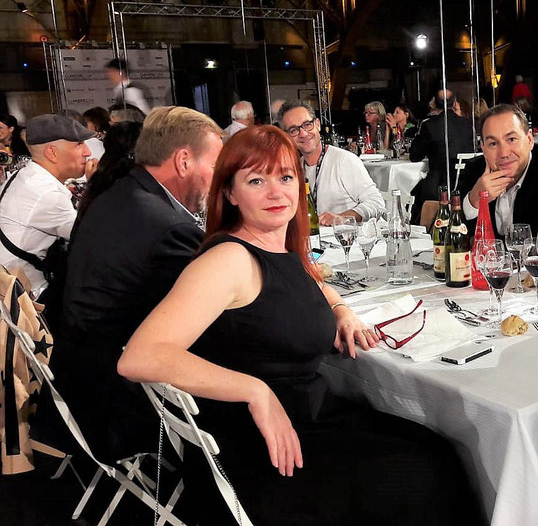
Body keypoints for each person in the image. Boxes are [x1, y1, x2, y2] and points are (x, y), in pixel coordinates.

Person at [117, 125, 482, 526]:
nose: (277, 193)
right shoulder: (228, 261)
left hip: (309, 413)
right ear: (229, 193)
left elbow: (308, 282)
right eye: (257, 180)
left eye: (286, 177)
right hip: (263, 447)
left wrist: (341, 309)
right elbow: (140, 357)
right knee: (427, 473)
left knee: (440, 448)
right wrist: (256, 392)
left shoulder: (276, 243)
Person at [48, 106, 224, 462]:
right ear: (184, 161)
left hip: (78, 378)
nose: (220, 176)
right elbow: (218, 319)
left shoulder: (120, 194)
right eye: (216, 165)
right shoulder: (168, 226)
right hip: (119, 403)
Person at [0, 114, 94, 306]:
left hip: (12, 288)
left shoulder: (24, 175)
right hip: (28, 300)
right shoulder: (46, 193)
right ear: (52, 153)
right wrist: (97, 185)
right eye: (79, 144)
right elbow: (95, 235)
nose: (87, 151)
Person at [457, 104, 538, 238]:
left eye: (511, 139)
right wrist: (474, 200)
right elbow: (457, 233)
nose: (503, 153)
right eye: (493, 143)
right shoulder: (475, 170)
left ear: (530, 140)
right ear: (483, 148)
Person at [278, 100, 383, 226]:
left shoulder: (344, 160)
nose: (303, 133)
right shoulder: (295, 169)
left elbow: (377, 203)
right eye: (294, 130)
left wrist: (342, 218)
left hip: (352, 241)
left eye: (307, 125)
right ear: (286, 136)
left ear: (317, 124)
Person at [409, 89, 475, 221]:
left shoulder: (430, 125)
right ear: (455, 103)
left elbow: (415, 156)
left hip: (439, 186)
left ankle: (420, 227)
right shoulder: (468, 124)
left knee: (414, 192)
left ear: (435, 104)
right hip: (466, 184)